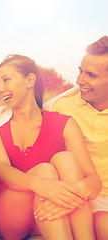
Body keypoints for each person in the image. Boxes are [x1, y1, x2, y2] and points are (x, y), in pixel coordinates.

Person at [0, 54, 101, 239]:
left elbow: (93, 181)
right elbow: (4, 171)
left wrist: (73, 193)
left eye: (6, 80)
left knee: (65, 159)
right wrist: (42, 185)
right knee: (45, 171)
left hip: (47, 210)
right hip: (7, 215)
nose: (1, 89)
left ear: (30, 80)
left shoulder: (64, 124)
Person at [44, 35, 108, 240]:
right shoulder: (62, 108)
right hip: (90, 198)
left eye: (91, 75)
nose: (80, 81)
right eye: (80, 71)